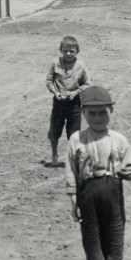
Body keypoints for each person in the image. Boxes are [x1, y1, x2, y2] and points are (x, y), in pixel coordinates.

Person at [64, 85, 131, 260]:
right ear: (84, 113)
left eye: (103, 113)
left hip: (113, 199)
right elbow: (71, 170)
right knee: (94, 253)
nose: (98, 118)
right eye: (92, 113)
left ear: (111, 112)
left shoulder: (119, 140)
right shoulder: (76, 139)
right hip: (88, 198)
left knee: (113, 253)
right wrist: (74, 198)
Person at [46, 35, 89, 167]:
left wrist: (75, 92)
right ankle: (54, 155)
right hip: (58, 102)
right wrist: (56, 93)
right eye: (65, 51)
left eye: (72, 51)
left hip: (74, 104)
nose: (68, 54)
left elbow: (86, 84)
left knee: (74, 134)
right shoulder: (56, 63)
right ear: (60, 50)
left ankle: (74, 158)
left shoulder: (81, 66)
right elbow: (49, 81)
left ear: (77, 52)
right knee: (54, 130)